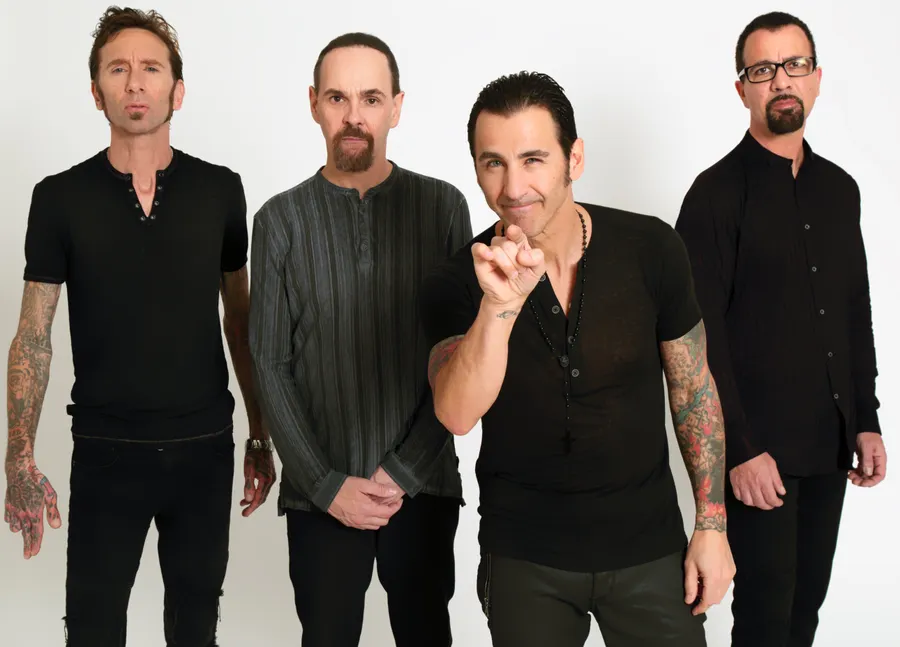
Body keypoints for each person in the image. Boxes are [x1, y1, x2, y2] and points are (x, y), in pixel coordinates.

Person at [420, 71, 735, 647]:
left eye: (533, 159)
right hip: (525, 556)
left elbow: (693, 390)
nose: (514, 186)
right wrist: (499, 307)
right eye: (493, 163)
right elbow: (456, 414)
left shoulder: (652, 248)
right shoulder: (457, 279)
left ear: (575, 158)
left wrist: (712, 525)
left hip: (649, 547)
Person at [3, 7, 275, 646]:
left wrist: (260, 434)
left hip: (204, 448)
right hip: (106, 451)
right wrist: (18, 454)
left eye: (151, 68)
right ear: (96, 91)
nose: (135, 83)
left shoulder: (221, 190)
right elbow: (33, 335)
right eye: (117, 69)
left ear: (177, 90)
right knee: (92, 630)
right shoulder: (58, 198)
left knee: (195, 629)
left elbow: (240, 320)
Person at [248, 32, 471, 647]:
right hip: (320, 490)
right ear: (314, 104)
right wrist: (325, 485)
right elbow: (269, 362)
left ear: (396, 107)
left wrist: (402, 471)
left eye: (371, 98)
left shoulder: (444, 208)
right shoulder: (279, 219)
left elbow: (462, 359)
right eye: (338, 98)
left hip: (422, 486)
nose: (354, 116)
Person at [674, 11, 887, 647]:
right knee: (765, 620)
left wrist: (866, 418)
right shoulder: (713, 196)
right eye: (763, 70)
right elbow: (697, 342)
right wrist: (740, 449)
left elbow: (854, 310)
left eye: (795, 65)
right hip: (759, 455)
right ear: (742, 88)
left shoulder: (840, 190)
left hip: (830, 444)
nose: (781, 80)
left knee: (805, 613)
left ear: (816, 78)